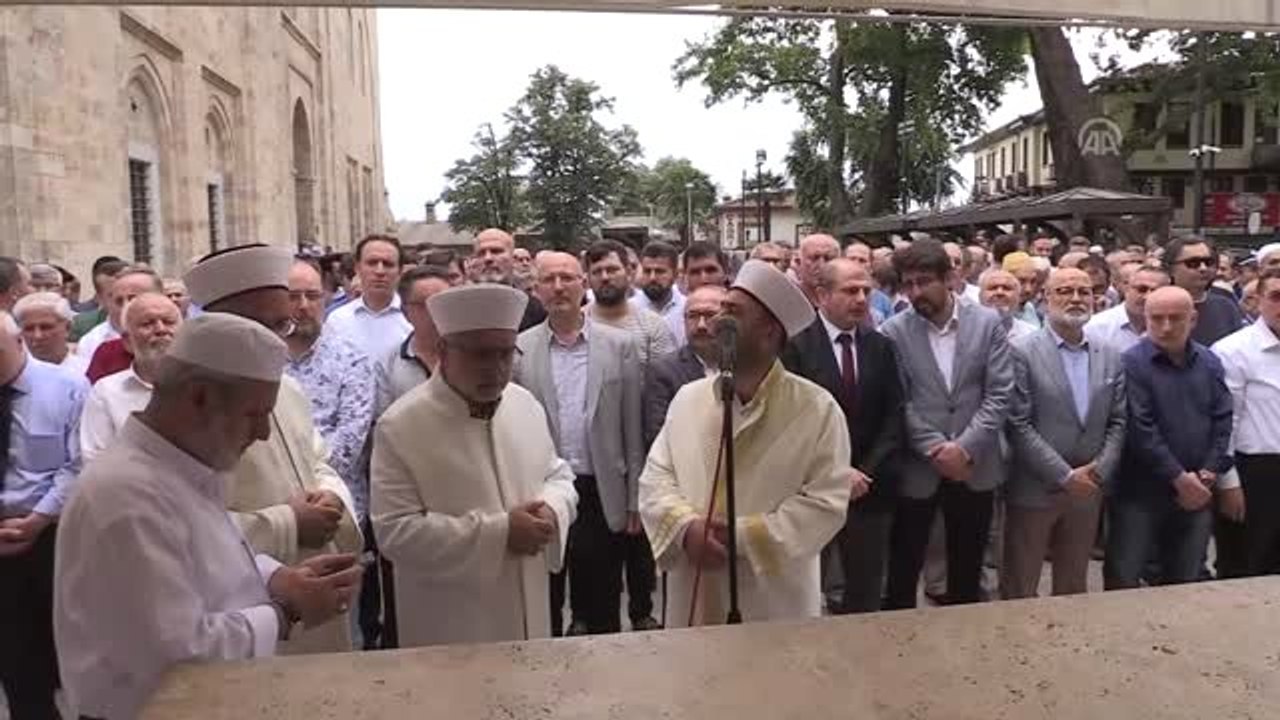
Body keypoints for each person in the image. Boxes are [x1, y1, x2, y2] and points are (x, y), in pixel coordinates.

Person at [54, 314, 362, 720]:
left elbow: (202, 553)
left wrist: (275, 577)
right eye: (255, 414)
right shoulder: (127, 497)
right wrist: (288, 612)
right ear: (199, 397)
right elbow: (176, 656)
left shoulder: (182, 468)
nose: (264, 433)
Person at [640, 260, 852, 627]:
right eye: (721, 307)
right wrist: (685, 528)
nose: (717, 320)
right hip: (694, 580)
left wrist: (743, 537)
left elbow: (826, 503)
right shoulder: (688, 399)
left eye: (733, 312)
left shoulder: (817, 409)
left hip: (773, 596)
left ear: (769, 331)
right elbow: (657, 477)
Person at [371, 284, 579, 646]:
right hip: (450, 619)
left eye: (504, 354)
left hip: (529, 605)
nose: (496, 369)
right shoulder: (400, 426)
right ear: (443, 352)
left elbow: (557, 474)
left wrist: (551, 510)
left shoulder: (524, 404)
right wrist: (499, 533)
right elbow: (395, 532)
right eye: (480, 354)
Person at [183, 244, 362, 654]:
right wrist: (287, 523)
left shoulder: (290, 390)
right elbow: (183, 529)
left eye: (281, 327)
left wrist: (332, 499)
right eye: (259, 327)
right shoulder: (189, 408)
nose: (275, 343)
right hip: (244, 608)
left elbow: (319, 462)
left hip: (319, 586)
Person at [515, 252, 645, 635]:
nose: (559, 287)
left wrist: (635, 497)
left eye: (567, 278)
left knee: (603, 597)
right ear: (536, 289)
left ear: (583, 283)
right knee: (546, 595)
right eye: (549, 280)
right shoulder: (521, 349)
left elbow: (631, 426)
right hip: (543, 490)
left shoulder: (619, 345)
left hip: (600, 487)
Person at [881, 239, 1013, 608]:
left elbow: (1000, 392)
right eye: (908, 284)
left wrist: (965, 447)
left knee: (967, 570)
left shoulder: (987, 324)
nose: (915, 292)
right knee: (903, 568)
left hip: (976, 464)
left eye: (924, 281)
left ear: (951, 278)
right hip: (919, 467)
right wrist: (935, 448)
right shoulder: (893, 332)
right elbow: (899, 401)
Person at [782, 259, 905, 613]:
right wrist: (837, 473)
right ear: (821, 295)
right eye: (850, 291)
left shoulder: (880, 347)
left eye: (867, 290)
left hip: (870, 489)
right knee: (804, 590)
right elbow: (792, 421)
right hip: (811, 489)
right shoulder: (796, 347)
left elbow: (894, 416)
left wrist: (864, 471)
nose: (862, 299)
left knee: (865, 591)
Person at [1002, 269, 1126, 599]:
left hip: (1088, 490)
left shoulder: (1110, 354)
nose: (1075, 299)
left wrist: (1098, 471)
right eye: (1064, 291)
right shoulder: (1021, 351)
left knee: (1073, 585)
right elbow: (1017, 422)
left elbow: (1118, 420)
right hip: (1035, 487)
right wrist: (1063, 475)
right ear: (1045, 298)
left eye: (1083, 292)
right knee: (1020, 584)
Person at [1105, 287, 1235, 589]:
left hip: (1199, 487)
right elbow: (1140, 427)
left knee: (1186, 577)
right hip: (1140, 491)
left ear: (1193, 319)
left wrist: (1209, 471)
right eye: (1156, 318)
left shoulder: (1209, 362)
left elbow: (1223, 418)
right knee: (1125, 573)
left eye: (1175, 318)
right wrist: (1179, 478)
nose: (1165, 327)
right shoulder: (1131, 363)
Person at [0, 308, 85, 720]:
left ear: (19, 344)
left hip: (52, 534)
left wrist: (38, 519)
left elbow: (77, 463)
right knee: (15, 663)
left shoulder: (67, 387)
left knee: (69, 652)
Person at [1164, 236, 1248, 577]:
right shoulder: (1160, 302)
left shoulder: (1226, 304)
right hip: (1169, 436)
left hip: (1217, 432)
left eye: (1208, 261)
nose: (1203, 268)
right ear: (1171, 269)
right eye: (1192, 262)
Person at [284, 259, 374, 521]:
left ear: (324, 298)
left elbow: (349, 444)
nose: (303, 306)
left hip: (338, 509)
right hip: (280, 510)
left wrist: (298, 480)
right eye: (293, 297)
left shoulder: (352, 359)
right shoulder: (262, 358)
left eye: (312, 296)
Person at [1212, 267, 1280, 576]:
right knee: (1247, 567)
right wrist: (1228, 484)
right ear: (1257, 301)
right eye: (1276, 297)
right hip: (1255, 472)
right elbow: (1226, 424)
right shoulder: (1233, 351)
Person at [80, 293, 182, 463]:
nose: (160, 329)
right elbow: (96, 462)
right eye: (147, 324)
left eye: (169, 322)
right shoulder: (106, 392)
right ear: (127, 341)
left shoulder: (210, 386)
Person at [643, 285, 726, 449]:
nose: (701, 325)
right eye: (693, 316)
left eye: (710, 315)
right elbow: (658, 437)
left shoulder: (745, 365)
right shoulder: (663, 371)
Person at [374, 266, 453, 418]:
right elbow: (384, 423)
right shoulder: (389, 363)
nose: (435, 311)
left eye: (443, 301)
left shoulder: (474, 355)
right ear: (405, 312)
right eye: (424, 304)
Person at [584, 240, 677, 366]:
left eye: (612, 270)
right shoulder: (576, 323)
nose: (604, 277)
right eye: (597, 272)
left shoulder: (653, 326)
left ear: (628, 272)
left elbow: (663, 379)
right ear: (588, 278)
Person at [325, 235, 412, 365]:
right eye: (372, 263)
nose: (380, 271)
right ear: (357, 268)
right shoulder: (337, 320)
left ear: (400, 271)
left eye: (388, 264)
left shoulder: (412, 319)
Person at [78, 264, 163, 369]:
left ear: (160, 298)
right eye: (119, 301)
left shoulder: (182, 339)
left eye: (133, 298)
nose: (125, 306)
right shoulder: (93, 344)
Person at [471, 228, 547, 330]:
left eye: (496, 251)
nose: (487, 258)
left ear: (512, 259)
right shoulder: (458, 308)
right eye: (481, 253)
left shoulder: (537, 310)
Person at [1084, 265, 1170, 355]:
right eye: (1142, 289)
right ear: (1127, 289)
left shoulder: (1176, 329)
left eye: (1156, 291)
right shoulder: (1095, 328)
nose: (1147, 297)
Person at [13, 291, 86, 376]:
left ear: (68, 328)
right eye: (29, 329)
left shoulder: (87, 372)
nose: (37, 336)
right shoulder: (11, 375)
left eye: (46, 327)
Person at [633, 241, 686, 344]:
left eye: (660, 271)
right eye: (647, 271)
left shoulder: (687, 308)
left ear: (675, 275)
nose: (652, 278)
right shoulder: (628, 310)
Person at [70, 257, 126, 339]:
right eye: (112, 295)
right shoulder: (83, 327)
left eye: (131, 295)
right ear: (99, 298)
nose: (124, 301)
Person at [978, 269, 1037, 341]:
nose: (999, 292)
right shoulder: (965, 331)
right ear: (980, 296)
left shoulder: (1031, 335)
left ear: (1017, 297)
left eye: (1006, 288)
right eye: (993, 288)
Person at [795, 233, 841, 307]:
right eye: (814, 258)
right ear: (799, 262)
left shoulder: (844, 301)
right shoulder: (788, 297)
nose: (822, 265)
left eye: (828, 258)